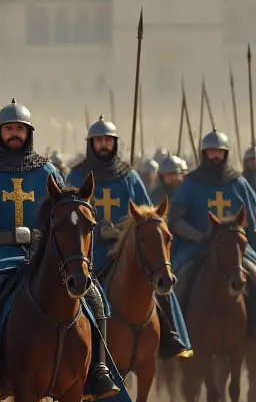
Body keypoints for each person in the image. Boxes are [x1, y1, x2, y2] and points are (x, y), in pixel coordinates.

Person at [0, 100, 122, 402]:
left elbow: (67, 208)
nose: (15, 134)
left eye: (20, 129)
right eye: (9, 129)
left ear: (29, 133)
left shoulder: (47, 170)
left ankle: (99, 371)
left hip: (41, 253)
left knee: (94, 297)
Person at [67, 117, 188, 358]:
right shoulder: (77, 175)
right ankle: (78, 348)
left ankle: (171, 335)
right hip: (92, 251)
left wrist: (126, 231)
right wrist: (97, 230)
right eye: (99, 141)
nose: (104, 145)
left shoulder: (129, 176)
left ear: (115, 144)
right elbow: (69, 217)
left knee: (162, 285)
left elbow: (149, 214)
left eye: (108, 141)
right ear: (91, 144)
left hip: (130, 250)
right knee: (85, 291)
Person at [168, 130, 256, 331]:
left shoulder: (239, 183)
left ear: (226, 154)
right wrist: (200, 237)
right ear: (204, 154)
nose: (215, 156)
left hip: (236, 250)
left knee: (254, 276)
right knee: (178, 282)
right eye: (211, 151)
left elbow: (252, 221)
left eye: (219, 151)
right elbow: (176, 220)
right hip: (197, 247)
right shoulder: (190, 183)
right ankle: (176, 332)